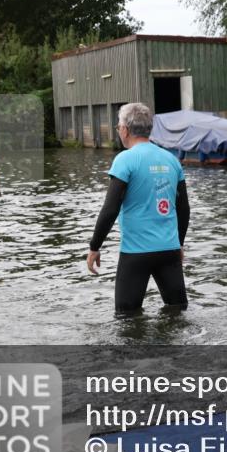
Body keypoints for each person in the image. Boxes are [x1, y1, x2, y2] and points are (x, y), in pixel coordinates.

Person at [87, 103, 190, 314]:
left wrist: (94, 247)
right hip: (169, 250)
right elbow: (184, 208)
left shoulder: (125, 160)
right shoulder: (171, 160)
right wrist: (179, 243)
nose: (119, 131)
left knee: (126, 318)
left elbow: (110, 209)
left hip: (136, 253)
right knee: (177, 312)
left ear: (125, 130)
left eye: (118, 127)